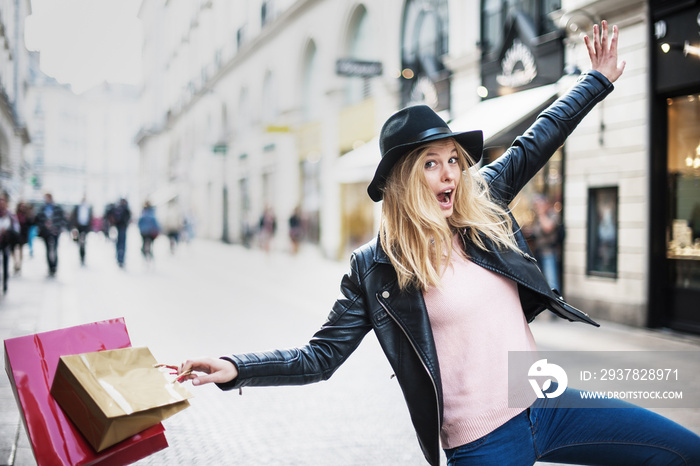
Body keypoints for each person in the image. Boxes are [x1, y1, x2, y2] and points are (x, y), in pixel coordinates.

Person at [178, 23, 700, 465]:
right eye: (431, 163)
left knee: (683, 450)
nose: (450, 173)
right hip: (484, 441)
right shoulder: (377, 267)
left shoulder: (481, 203)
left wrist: (597, 81)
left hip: (547, 398)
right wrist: (238, 367)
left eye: (453, 158)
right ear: (404, 180)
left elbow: (539, 137)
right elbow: (320, 356)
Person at [529, 195, 562, 293]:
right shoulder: (537, 217)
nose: (537, 207)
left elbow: (547, 228)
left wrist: (541, 213)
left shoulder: (552, 214)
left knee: (552, 285)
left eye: (539, 204)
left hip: (549, 253)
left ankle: (555, 307)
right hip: (538, 253)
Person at [35, 193, 65, 277]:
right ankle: (50, 267)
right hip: (46, 232)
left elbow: (62, 219)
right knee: (48, 250)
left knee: (54, 249)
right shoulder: (42, 208)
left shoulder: (57, 208)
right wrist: (44, 226)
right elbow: (38, 219)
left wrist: (56, 227)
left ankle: (54, 267)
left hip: (55, 232)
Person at [0, 195, 19, 292]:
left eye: (2, 202)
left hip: (6, 242)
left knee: (5, 262)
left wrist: (8, 231)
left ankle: (5, 283)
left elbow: (16, 228)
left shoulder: (10, 215)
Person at [70, 196, 93, 266]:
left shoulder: (88, 208)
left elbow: (90, 218)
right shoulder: (77, 208)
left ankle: (82, 257)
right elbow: (73, 217)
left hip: (85, 227)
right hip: (78, 226)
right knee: (79, 242)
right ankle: (81, 255)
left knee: (82, 242)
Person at [109, 198, 131, 267]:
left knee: (118, 243)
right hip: (122, 228)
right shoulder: (125, 209)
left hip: (117, 227)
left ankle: (119, 258)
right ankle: (121, 259)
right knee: (122, 244)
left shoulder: (116, 208)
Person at [13, 200, 34, 274]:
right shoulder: (15, 215)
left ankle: (19, 264)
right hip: (15, 234)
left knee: (21, 249)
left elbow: (31, 223)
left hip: (23, 234)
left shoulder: (26, 215)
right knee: (15, 250)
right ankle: (16, 262)